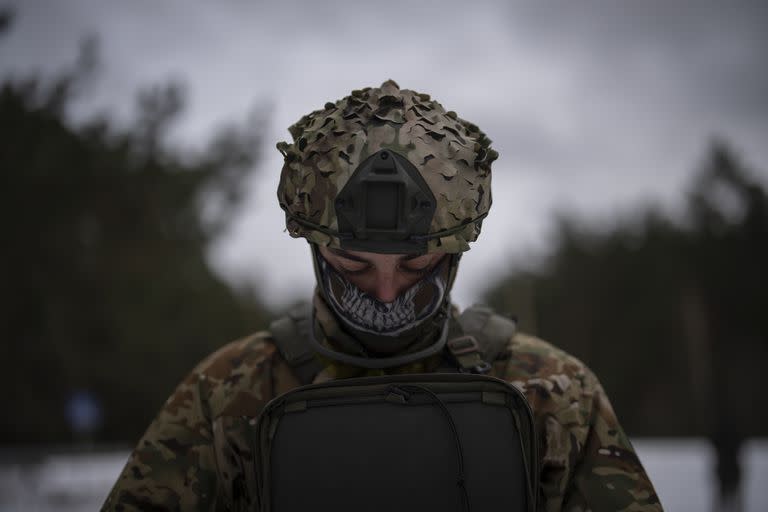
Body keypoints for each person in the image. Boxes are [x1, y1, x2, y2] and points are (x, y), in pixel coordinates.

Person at [102, 80, 662, 511]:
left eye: (416, 263)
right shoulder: (226, 395)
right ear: (318, 251)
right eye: (354, 264)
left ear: (455, 252)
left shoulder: (553, 395)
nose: (388, 290)